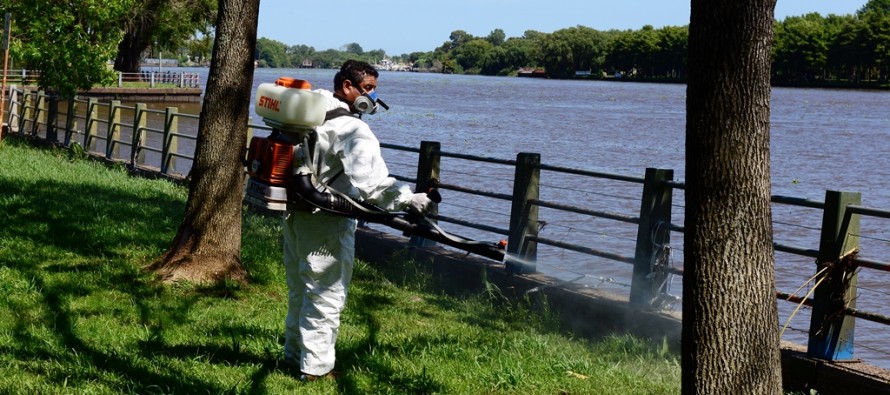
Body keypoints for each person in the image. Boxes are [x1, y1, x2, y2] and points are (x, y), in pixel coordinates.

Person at [282, 60, 432, 381]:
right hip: (327, 223)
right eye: (367, 89)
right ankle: (316, 371)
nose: (372, 97)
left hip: (296, 214)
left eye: (375, 89)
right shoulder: (353, 129)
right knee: (326, 296)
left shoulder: (314, 106)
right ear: (347, 86)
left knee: (301, 291)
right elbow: (374, 185)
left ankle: (294, 356)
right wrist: (410, 199)